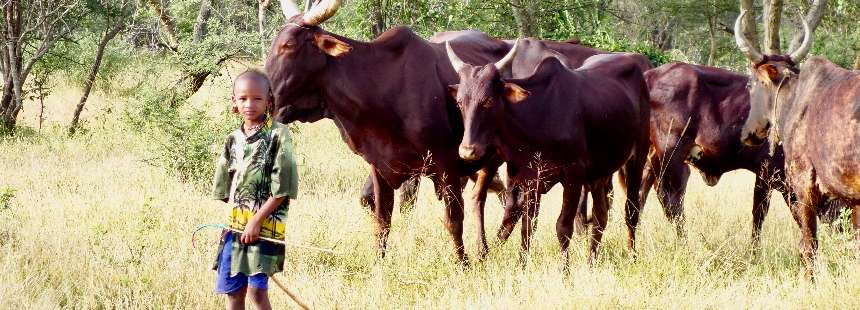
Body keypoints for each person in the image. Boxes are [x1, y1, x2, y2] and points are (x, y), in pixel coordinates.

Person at [211, 69, 298, 310]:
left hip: (265, 228)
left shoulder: (279, 135)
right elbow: (228, 190)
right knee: (233, 292)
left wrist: (256, 221)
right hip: (235, 228)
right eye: (243, 98)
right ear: (234, 101)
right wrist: (230, 224)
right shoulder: (233, 139)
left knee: (256, 292)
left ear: (269, 100)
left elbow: (283, 189)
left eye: (257, 98)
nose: (250, 104)